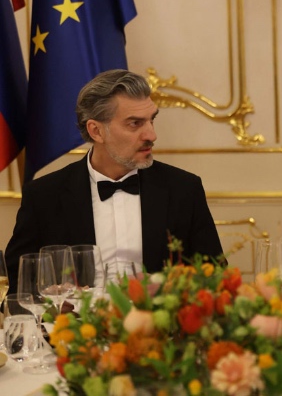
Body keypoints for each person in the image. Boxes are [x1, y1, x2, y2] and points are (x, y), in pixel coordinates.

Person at [5, 69, 224, 293]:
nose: (151, 135)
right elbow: (21, 285)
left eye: (151, 120)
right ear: (96, 131)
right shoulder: (44, 196)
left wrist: (166, 287)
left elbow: (214, 277)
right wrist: (55, 299)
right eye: (135, 123)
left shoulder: (184, 189)